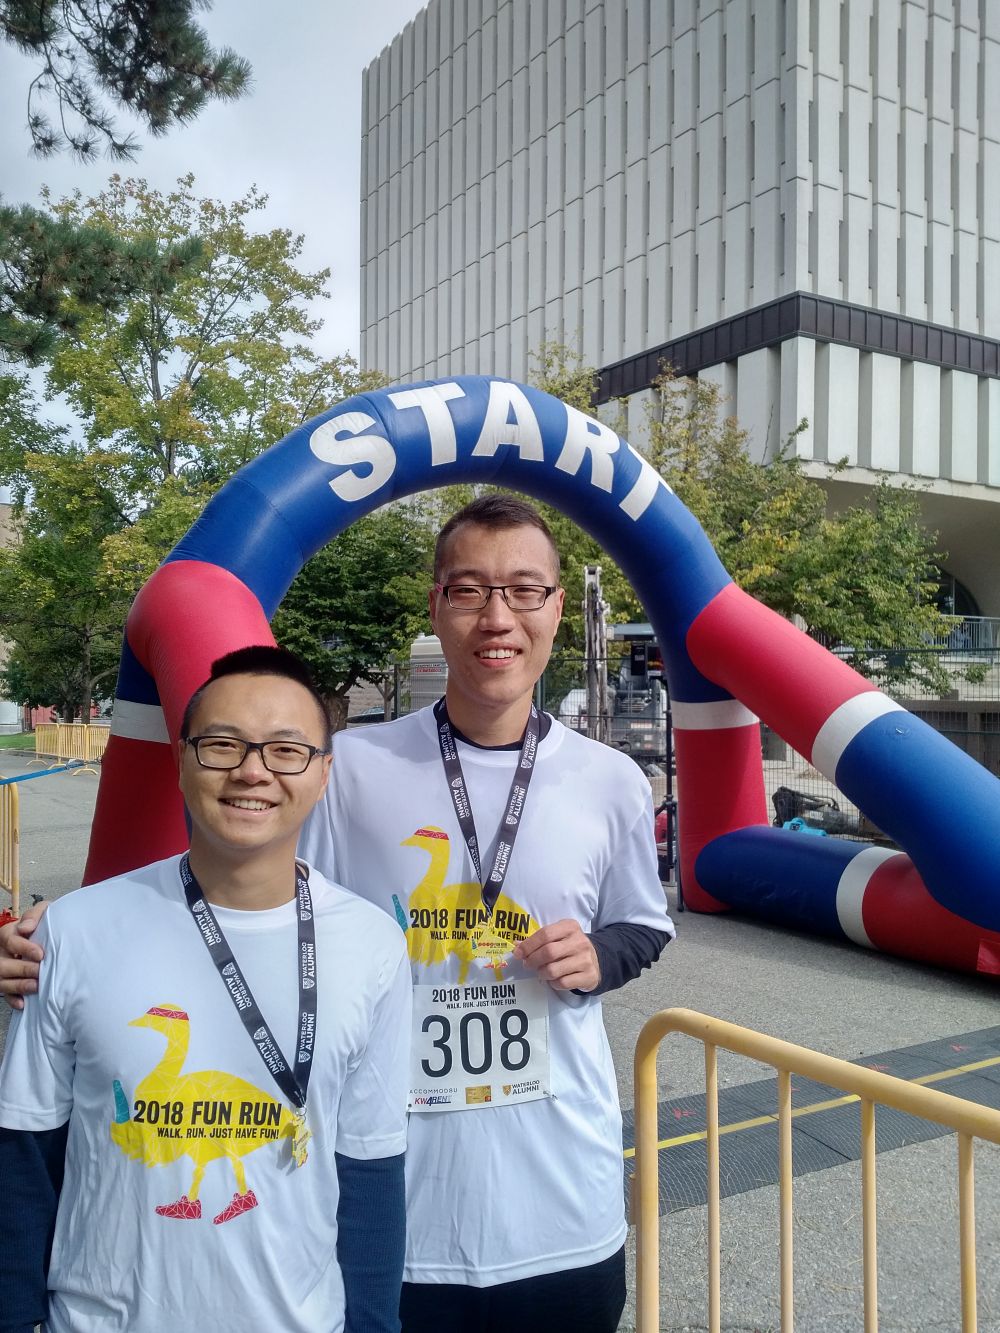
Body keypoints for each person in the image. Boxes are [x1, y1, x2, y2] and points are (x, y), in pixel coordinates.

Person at [1, 494, 674, 1333]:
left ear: (556, 609)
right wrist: (56, 941)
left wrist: (601, 956)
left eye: (523, 590)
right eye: (468, 590)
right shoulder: (348, 764)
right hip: (390, 1209)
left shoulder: (611, 778)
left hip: (560, 1203)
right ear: (435, 604)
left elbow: (647, 924)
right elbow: (237, 879)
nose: (496, 616)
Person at [0, 647, 410, 1333]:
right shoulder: (74, 930)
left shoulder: (371, 944)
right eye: (222, 744)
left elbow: (370, 1171)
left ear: (322, 772)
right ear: (182, 758)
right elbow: (23, 1157)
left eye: (285, 749)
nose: (253, 770)